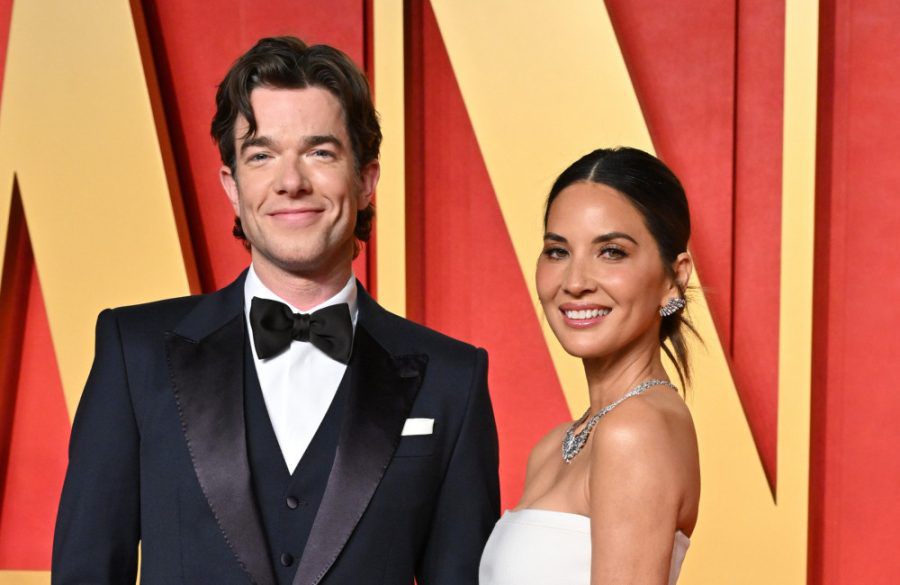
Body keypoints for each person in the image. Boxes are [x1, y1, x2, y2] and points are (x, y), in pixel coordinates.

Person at [52, 36, 499, 585]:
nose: (291, 182)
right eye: (261, 155)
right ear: (233, 187)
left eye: (320, 152)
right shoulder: (134, 351)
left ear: (365, 181)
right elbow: (86, 571)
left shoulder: (452, 379)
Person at [479, 147, 700, 585]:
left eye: (612, 252)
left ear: (675, 276)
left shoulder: (636, 431)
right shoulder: (555, 446)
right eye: (558, 252)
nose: (575, 282)